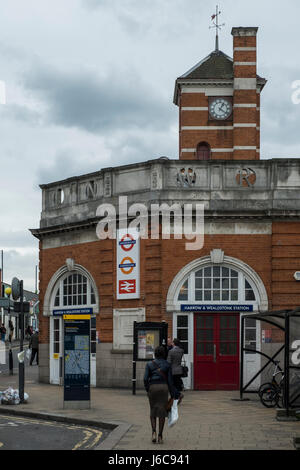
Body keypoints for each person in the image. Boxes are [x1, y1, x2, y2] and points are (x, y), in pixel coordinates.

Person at [144, 345, 179, 444]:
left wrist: (148, 390)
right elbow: (170, 381)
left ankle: (153, 432)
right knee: (162, 412)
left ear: (155, 353)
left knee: (153, 410)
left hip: (153, 388)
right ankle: (160, 436)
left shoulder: (149, 364)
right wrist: (173, 395)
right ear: (164, 354)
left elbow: (145, 379)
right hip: (163, 388)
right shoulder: (167, 365)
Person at [167, 338, 184, 404]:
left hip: (172, 370)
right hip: (179, 370)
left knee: (171, 385)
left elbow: (169, 362)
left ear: (173, 343)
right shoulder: (181, 350)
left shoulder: (171, 351)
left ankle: (178, 395)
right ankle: (175, 398)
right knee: (177, 384)